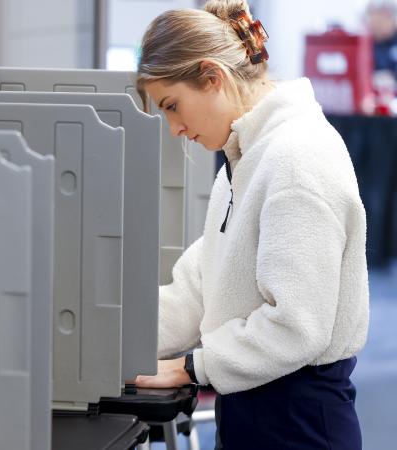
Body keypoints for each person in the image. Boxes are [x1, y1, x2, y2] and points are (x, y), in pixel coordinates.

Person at [131, 1, 370, 449]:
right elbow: (203, 287)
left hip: (297, 419)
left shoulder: (297, 159)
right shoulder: (244, 158)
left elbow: (296, 325)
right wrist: (113, 339)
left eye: (173, 106)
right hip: (250, 404)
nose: (175, 128)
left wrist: (190, 368)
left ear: (212, 76)